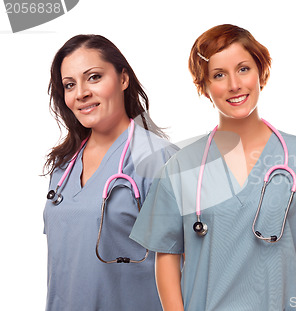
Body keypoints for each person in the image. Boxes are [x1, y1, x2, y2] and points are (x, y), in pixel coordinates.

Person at [130, 24, 296, 311]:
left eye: (243, 69)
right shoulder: (181, 167)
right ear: (205, 88)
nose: (234, 84)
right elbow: (167, 256)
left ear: (262, 73)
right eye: (219, 75)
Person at [43, 34, 178, 311]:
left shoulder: (159, 160)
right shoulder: (63, 167)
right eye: (70, 85)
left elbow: (191, 263)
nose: (81, 92)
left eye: (93, 77)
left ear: (123, 79)